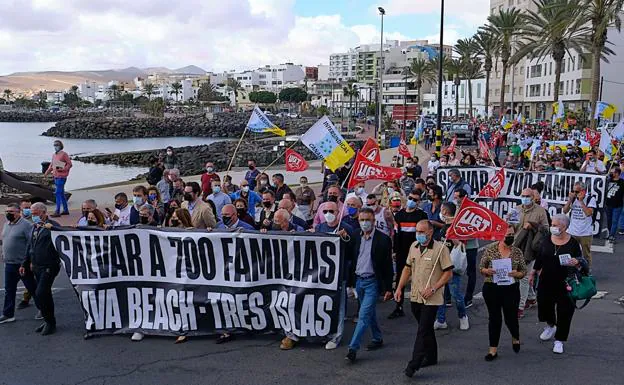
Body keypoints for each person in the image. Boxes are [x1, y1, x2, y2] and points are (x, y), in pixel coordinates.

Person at [395, 220, 453, 378]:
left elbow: (448, 273)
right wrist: (399, 288)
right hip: (416, 296)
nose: (419, 234)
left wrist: (434, 288)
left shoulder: (440, 249)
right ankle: (432, 356)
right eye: (417, 231)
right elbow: (407, 269)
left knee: (422, 330)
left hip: (431, 298)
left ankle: (414, 364)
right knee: (425, 328)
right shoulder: (414, 246)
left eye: (422, 232)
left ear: (430, 232)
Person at [530, 214, 589, 354]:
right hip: (546, 280)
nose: (553, 227)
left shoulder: (573, 243)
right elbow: (540, 257)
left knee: (565, 311)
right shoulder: (547, 239)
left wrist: (577, 262)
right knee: (544, 305)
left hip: (566, 282)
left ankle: (559, 340)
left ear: (564, 227)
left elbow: (581, 261)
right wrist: (533, 272)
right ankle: (551, 325)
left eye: (556, 225)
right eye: (552, 224)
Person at [345, 208, 393, 362]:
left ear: (374, 221)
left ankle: (353, 348)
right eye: (362, 220)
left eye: (367, 220)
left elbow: (387, 265)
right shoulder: (355, 236)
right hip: (359, 281)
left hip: (373, 282)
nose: (364, 223)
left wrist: (388, 288)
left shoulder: (383, 239)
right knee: (369, 312)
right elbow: (349, 255)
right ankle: (377, 337)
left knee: (363, 315)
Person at [313, 201, 358, 350]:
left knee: (339, 307)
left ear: (338, 212)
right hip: (323, 275)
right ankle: (323, 332)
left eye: (331, 211)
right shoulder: (320, 227)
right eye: (325, 211)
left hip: (340, 274)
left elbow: (353, 252)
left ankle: (336, 336)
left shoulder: (348, 228)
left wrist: (345, 238)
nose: (328, 214)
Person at [479, 226, 526, 361]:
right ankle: (493, 349)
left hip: (511, 289)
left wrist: (517, 274)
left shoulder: (517, 252)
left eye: (512, 234)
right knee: (494, 318)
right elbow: (481, 267)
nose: (510, 237)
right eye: (507, 235)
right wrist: (486, 271)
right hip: (492, 288)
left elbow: (523, 271)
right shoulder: (491, 249)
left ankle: (515, 336)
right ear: (500, 235)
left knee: (511, 318)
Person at [21, 203, 61, 335]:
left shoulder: (52, 226)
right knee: (46, 294)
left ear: (44, 213)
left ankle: (50, 322)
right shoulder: (34, 227)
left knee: (41, 293)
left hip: (49, 266)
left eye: (36, 214)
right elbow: (29, 246)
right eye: (32, 214)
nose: (34, 216)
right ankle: (48, 320)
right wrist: (24, 263)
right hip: (36, 266)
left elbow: (62, 240)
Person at [389, 191, 429, 319]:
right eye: (410, 198)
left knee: (420, 279)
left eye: (415, 200)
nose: (412, 201)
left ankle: (422, 305)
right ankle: (398, 306)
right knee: (400, 279)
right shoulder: (399, 215)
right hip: (402, 252)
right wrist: (394, 251)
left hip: (417, 251)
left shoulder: (421, 215)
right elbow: (396, 235)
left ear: (418, 202)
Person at [513, 187, 549, 318]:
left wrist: (533, 225)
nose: (525, 198)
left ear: (533, 197)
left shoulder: (541, 211)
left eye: (527, 196)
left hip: (530, 249)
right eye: (523, 195)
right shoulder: (516, 209)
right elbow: (510, 226)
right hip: (516, 246)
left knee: (523, 277)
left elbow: (546, 229)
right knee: (521, 277)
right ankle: (532, 297)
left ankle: (520, 307)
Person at [434, 203, 469, 331]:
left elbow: (462, 246)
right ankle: (441, 320)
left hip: (453, 266)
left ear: (444, 211)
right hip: (441, 266)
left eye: (441, 210)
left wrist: (453, 237)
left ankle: (463, 316)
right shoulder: (444, 227)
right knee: (440, 295)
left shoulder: (457, 228)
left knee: (456, 295)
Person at [0, 204, 37, 324]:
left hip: (22, 264)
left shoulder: (26, 225)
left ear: (18, 212)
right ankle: (8, 314)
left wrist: (29, 261)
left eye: (11, 211)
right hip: (9, 264)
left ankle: (44, 309)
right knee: (9, 289)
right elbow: (5, 240)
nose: (8, 213)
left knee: (33, 288)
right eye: (7, 211)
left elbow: (31, 244)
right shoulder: (6, 225)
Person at [452, 189, 478, 308]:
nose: (456, 199)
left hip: (470, 246)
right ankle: (454, 295)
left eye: (458, 197)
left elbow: (477, 228)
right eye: (455, 197)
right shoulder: (456, 208)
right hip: (458, 245)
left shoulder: (473, 209)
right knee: (455, 269)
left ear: (465, 197)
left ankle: (468, 297)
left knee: (471, 272)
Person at [562, 181, 596, 266]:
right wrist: (570, 200)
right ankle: (571, 271)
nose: (574, 193)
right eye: (573, 191)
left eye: (576, 192)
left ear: (583, 191)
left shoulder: (590, 199)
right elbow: (565, 211)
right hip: (572, 231)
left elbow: (588, 213)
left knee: (585, 255)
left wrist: (581, 201)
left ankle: (587, 272)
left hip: (585, 232)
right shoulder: (573, 199)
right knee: (570, 252)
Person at [44, 140, 72, 217]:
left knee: (57, 193)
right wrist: (47, 172)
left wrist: (63, 169)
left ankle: (57, 211)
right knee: (61, 194)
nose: (55, 146)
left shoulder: (64, 154)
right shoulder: (54, 155)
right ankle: (65, 210)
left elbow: (69, 164)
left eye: (57, 145)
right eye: (54, 145)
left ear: (60, 145)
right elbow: (51, 164)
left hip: (62, 177)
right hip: (56, 176)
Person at [605, 167, 624, 242]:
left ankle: (611, 235)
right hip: (608, 204)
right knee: (609, 221)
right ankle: (610, 233)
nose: (611, 173)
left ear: (617, 173)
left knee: (614, 221)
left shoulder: (622, 182)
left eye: (613, 172)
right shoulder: (608, 180)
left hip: (617, 205)